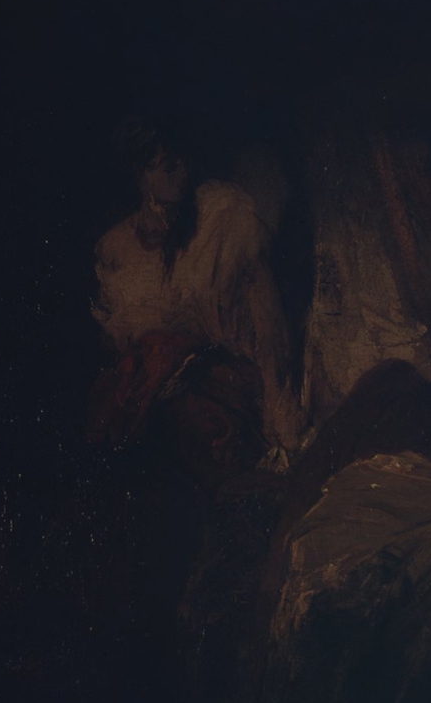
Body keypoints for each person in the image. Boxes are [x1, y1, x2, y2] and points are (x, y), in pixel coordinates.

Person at [88, 120, 304, 461]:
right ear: (140, 175)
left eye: (182, 160)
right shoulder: (116, 249)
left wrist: (279, 412)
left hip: (230, 385)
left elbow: (269, 328)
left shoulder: (223, 217)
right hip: (159, 397)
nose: (182, 172)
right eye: (168, 166)